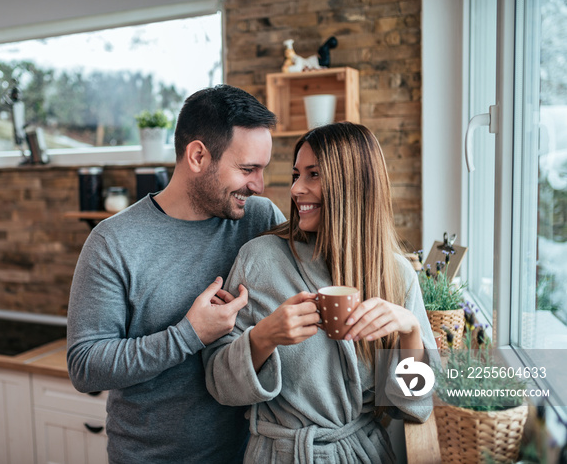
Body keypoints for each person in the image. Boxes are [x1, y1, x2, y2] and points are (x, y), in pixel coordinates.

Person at [66, 84, 286, 464]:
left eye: (262, 170)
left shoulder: (260, 219)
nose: (258, 185)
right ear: (198, 155)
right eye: (247, 169)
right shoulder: (114, 241)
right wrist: (190, 335)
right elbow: (85, 365)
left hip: (248, 454)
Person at [203, 122, 436, 463]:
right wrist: (264, 337)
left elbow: (417, 405)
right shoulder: (260, 258)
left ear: (353, 184)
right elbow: (219, 383)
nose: (296, 189)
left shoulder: (395, 276)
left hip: (360, 454)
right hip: (279, 454)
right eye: (297, 174)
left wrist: (411, 331)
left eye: (314, 175)